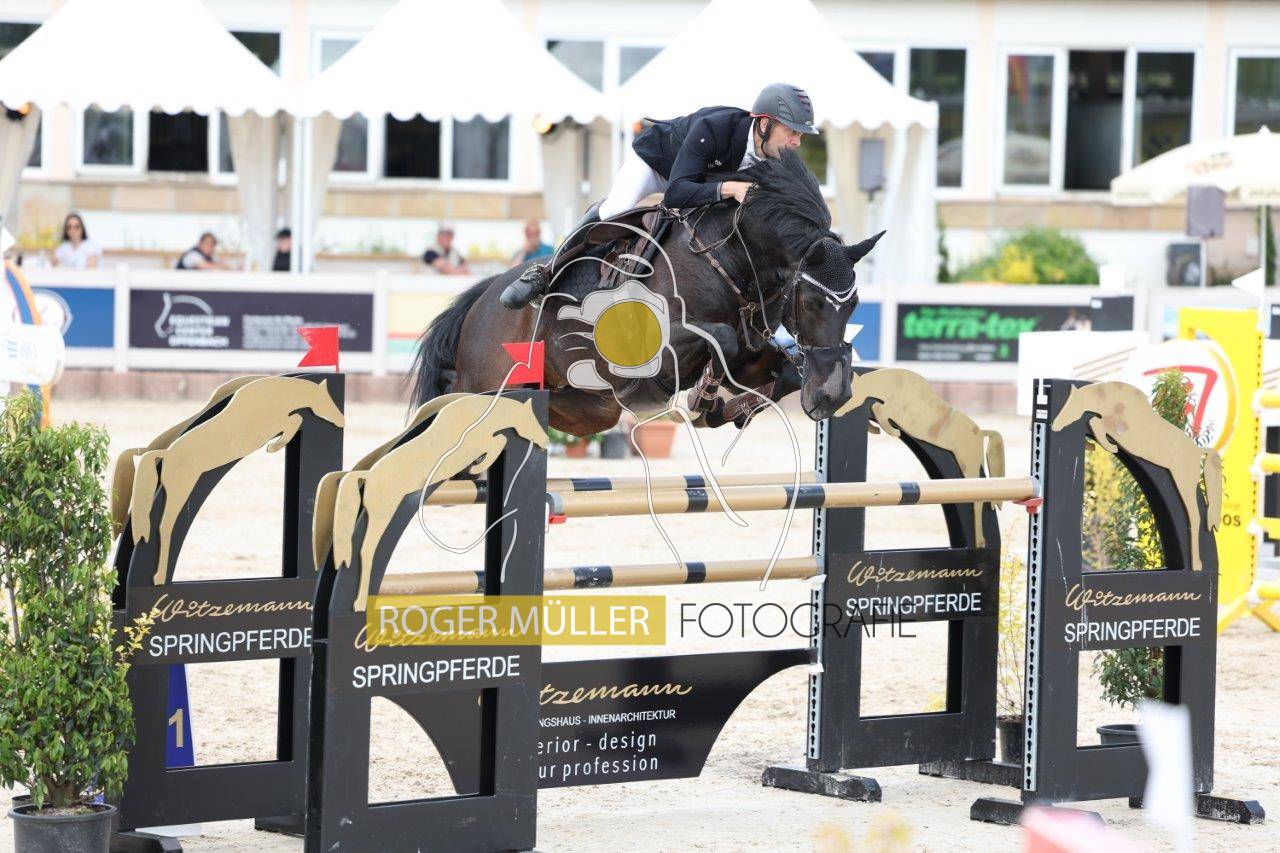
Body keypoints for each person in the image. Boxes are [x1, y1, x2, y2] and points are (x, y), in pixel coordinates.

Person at [501, 83, 817, 309]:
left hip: (697, 186)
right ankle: (545, 273)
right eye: (792, 132)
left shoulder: (774, 160)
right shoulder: (716, 127)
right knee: (616, 209)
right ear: (765, 124)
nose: (797, 142)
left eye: (799, 135)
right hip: (656, 165)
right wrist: (729, 188)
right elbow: (677, 193)